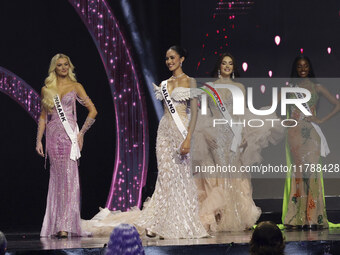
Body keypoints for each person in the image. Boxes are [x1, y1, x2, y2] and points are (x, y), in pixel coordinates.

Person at [82, 46, 208, 239]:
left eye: (172, 57)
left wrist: (189, 138)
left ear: (182, 59)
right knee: (165, 177)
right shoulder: (164, 83)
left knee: (181, 179)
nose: (169, 61)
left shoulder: (190, 81)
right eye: (166, 58)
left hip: (182, 131)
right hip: (164, 131)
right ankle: (156, 223)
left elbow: (195, 113)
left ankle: (179, 221)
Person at [192, 53, 283, 232]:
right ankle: (218, 216)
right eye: (224, 63)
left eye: (230, 63)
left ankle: (237, 215)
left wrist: (244, 136)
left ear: (234, 67)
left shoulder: (239, 86)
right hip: (215, 133)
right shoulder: (210, 87)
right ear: (219, 66)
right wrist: (204, 133)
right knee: (218, 174)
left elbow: (240, 113)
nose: (227, 66)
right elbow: (204, 113)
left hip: (234, 135)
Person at [36, 53, 97, 237]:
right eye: (59, 65)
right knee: (57, 181)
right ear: (54, 68)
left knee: (70, 181)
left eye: (65, 65)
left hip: (70, 137)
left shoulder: (76, 86)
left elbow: (93, 111)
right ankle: (56, 225)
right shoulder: (47, 89)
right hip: (53, 139)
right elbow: (43, 117)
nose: (63, 68)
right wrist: (38, 139)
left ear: (69, 67)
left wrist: (81, 133)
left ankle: (65, 226)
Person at [282, 56, 340, 229]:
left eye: (306, 65)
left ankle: (314, 217)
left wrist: (321, 119)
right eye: (299, 66)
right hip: (294, 134)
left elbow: (337, 104)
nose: (303, 68)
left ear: (310, 68)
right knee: (298, 173)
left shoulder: (317, 87)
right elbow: (273, 106)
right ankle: (296, 218)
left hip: (312, 133)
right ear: (296, 69)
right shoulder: (289, 89)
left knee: (313, 173)